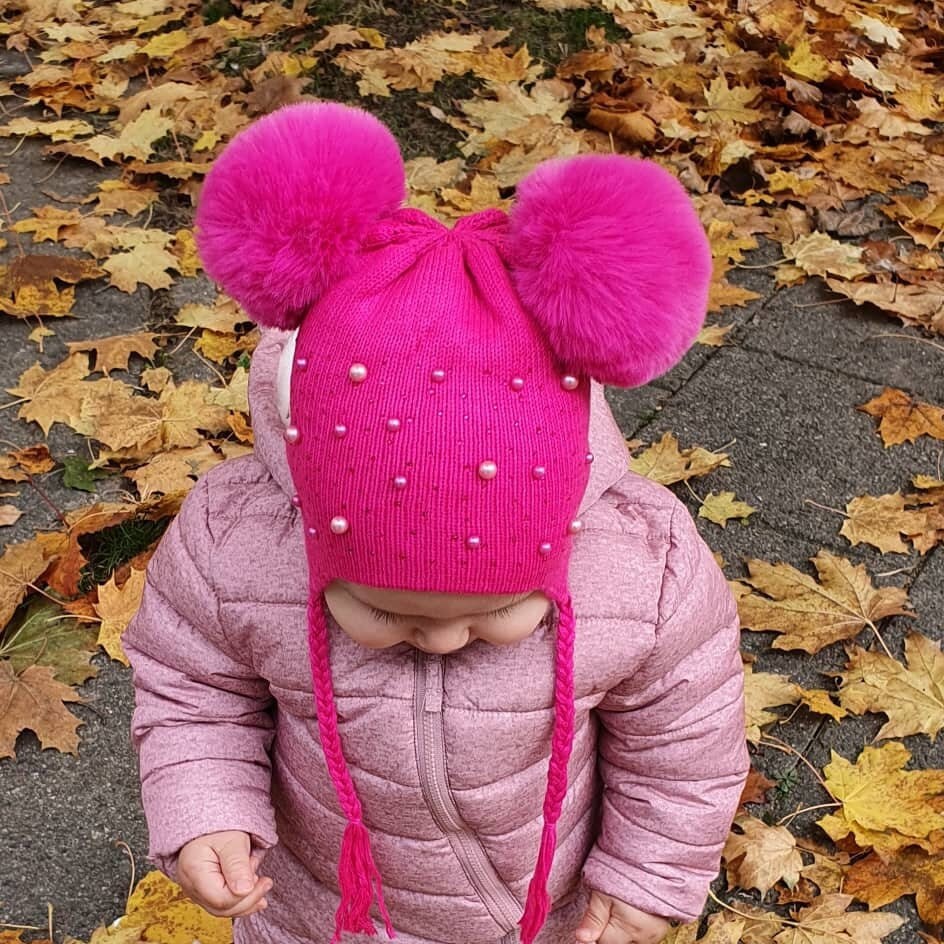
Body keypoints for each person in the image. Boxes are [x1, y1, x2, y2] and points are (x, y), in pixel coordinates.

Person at [123, 101, 748, 944]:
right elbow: (195, 696)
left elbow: (683, 748)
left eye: (496, 612)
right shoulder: (238, 549)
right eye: (387, 613)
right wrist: (206, 811)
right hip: (319, 913)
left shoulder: (641, 570)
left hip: (546, 915)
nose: (443, 640)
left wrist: (649, 876)